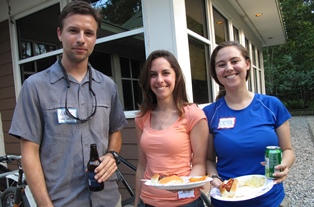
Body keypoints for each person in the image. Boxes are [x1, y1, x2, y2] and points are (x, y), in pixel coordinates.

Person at [9, 1, 128, 207]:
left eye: (89, 33)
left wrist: (112, 154)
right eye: (73, 30)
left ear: (95, 38)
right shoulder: (35, 87)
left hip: (107, 199)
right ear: (59, 34)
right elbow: (29, 153)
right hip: (61, 202)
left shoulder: (107, 86)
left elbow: (115, 131)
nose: (81, 39)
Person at [203, 41, 295, 207]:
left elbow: (287, 150)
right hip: (228, 200)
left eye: (234, 61)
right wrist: (214, 178)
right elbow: (208, 159)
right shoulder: (210, 113)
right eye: (221, 64)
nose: (229, 68)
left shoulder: (272, 105)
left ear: (247, 64)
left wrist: (284, 166)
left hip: (270, 200)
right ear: (215, 73)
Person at [134, 50, 209, 207]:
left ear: (176, 76)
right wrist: (136, 203)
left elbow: (199, 164)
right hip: (147, 201)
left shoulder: (193, 114)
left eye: (165, 73)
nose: (159, 80)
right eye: (153, 75)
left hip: (184, 202)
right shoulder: (142, 117)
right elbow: (142, 166)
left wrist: (183, 185)